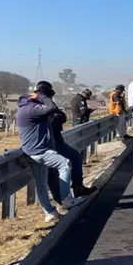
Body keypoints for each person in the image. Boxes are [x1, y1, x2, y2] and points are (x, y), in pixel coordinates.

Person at [17, 81, 84, 221]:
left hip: (31, 151)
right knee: (65, 164)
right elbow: (51, 107)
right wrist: (42, 95)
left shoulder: (24, 108)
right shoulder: (31, 109)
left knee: (41, 183)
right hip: (40, 150)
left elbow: (59, 115)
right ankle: (66, 199)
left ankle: (49, 212)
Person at [47, 101, 94, 205]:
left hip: (57, 140)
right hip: (50, 143)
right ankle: (62, 198)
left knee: (75, 157)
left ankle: (77, 189)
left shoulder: (44, 103)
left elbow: (62, 117)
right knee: (61, 167)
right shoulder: (41, 105)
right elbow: (59, 118)